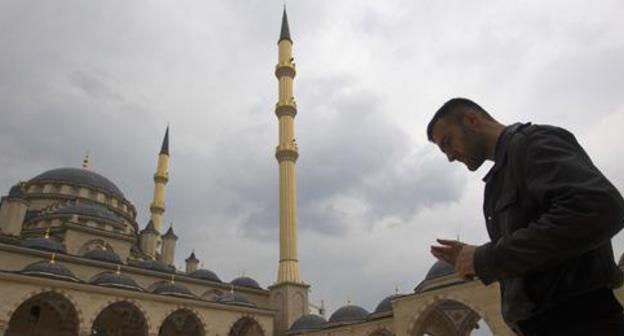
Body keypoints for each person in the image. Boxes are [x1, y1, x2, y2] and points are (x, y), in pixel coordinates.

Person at [427, 98, 624, 335]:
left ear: (472, 120)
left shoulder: (534, 143)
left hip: (580, 322)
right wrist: (478, 258)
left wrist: (487, 257)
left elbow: (598, 208)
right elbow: (538, 246)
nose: (450, 157)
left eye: (448, 142)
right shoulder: (499, 178)